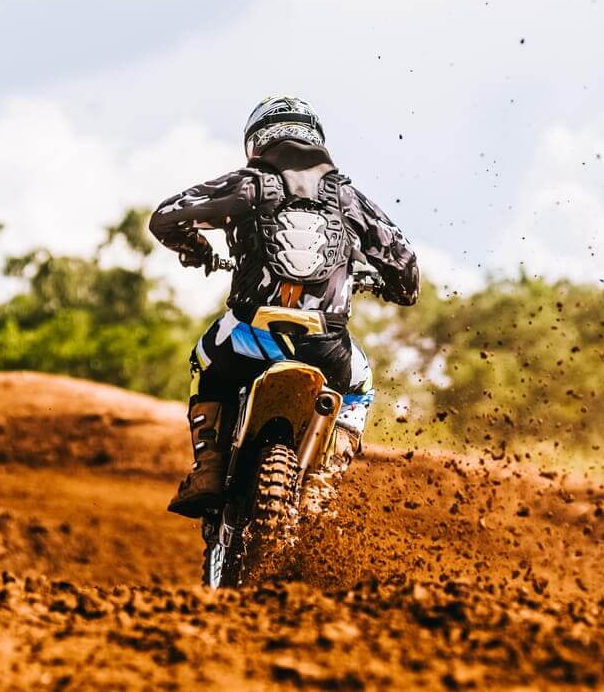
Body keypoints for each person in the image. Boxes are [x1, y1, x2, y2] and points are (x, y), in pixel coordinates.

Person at [149, 95, 419, 518]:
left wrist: (197, 247)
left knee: (204, 359)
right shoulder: (348, 198)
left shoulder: (248, 184)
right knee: (360, 387)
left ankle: (208, 466)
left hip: (246, 340)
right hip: (327, 349)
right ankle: (322, 483)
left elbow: (166, 217)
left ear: (256, 142)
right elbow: (405, 266)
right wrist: (394, 288)